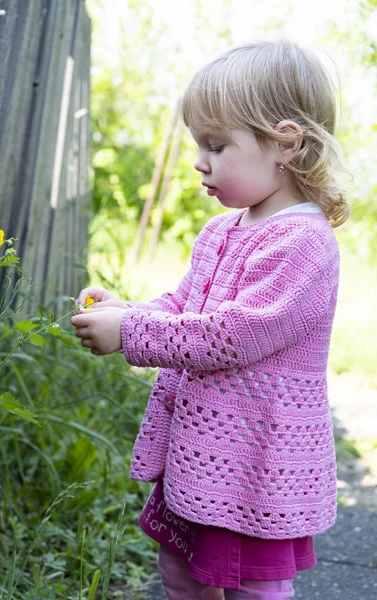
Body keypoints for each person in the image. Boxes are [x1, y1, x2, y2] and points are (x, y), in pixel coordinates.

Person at [71, 39, 349, 600]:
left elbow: (231, 335)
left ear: (284, 143)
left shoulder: (303, 243)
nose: (200, 161)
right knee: (180, 571)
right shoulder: (222, 231)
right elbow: (185, 308)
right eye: (200, 144)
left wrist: (129, 334)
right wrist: (129, 312)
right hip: (203, 453)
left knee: (251, 584)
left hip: (255, 460)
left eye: (216, 145)